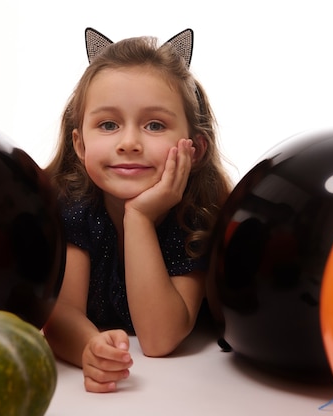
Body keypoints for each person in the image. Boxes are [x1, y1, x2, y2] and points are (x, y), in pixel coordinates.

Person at [42, 27, 232, 393]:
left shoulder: (195, 219)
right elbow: (62, 314)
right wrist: (89, 347)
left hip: (182, 391)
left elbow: (160, 339)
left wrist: (140, 217)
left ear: (195, 148)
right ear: (79, 144)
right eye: (108, 125)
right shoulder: (75, 208)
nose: (129, 143)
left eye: (155, 125)